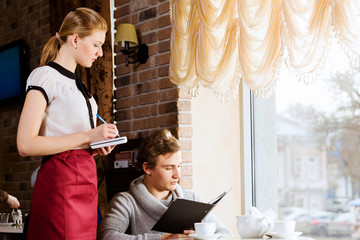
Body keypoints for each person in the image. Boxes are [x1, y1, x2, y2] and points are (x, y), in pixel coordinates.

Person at [16, 7, 118, 240]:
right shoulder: (45, 76)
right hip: (60, 184)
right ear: (75, 39)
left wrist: (95, 145)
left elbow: (75, 140)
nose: (100, 53)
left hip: (85, 181)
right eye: (96, 44)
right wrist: (88, 137)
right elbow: (25, 144)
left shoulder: (81, 88)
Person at [97, 129, 232, 240]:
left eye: (179, 166)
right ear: (147, 168)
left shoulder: (191, 199)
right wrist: (161, 239)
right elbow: (106, 236)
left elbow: (226, 235)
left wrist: (203, 237)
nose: (177, 175)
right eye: (169, 168)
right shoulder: (125, 202)